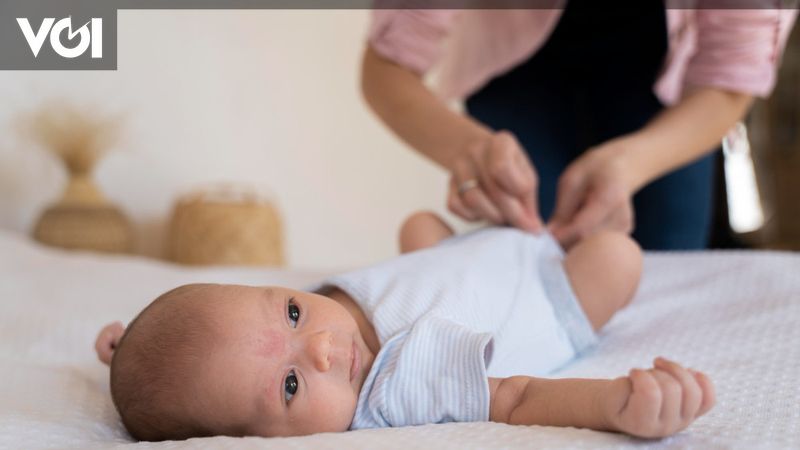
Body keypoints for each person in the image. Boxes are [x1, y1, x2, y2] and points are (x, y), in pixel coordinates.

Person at [95, 212, 715, 441]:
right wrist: (612, 405)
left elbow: (214, 349)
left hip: (460, 253)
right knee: (617, 255)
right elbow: (516, 397)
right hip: (541, 290)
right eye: (288, 387)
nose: (322, 348)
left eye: (290, 311)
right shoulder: (395, 384)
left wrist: (133, 351)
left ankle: (507, 231)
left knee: (419, 226)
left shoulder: (310, 320)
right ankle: (567, 244)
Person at [361, 3, 797, 249]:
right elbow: (386, 68)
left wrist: (629, 163)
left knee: (668, 248)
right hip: (515, 72)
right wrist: (466, 149)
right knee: (537, 247)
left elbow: (729, 81)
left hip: (662, 77)